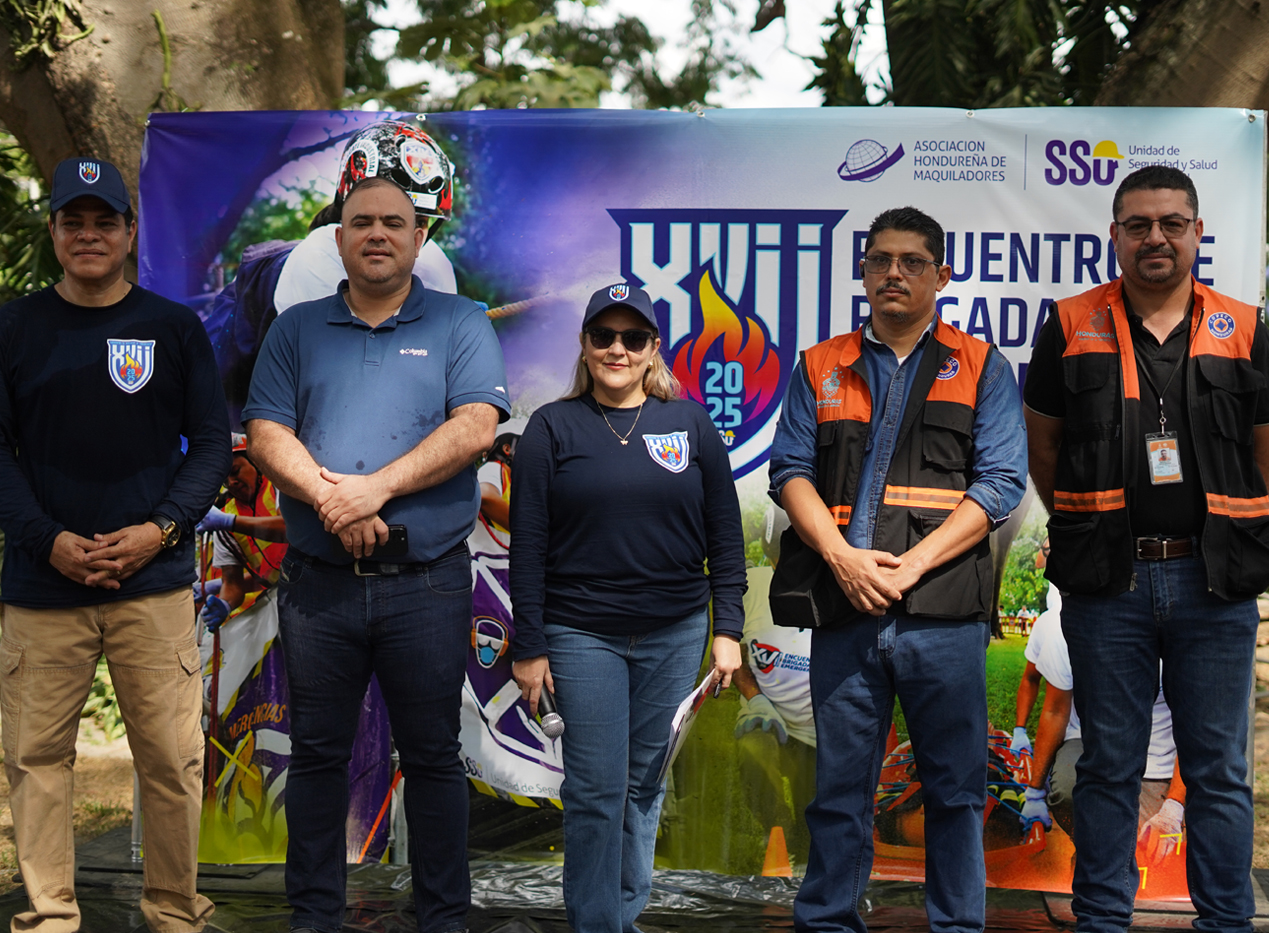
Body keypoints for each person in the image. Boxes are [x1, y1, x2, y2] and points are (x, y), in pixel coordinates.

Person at [242, 174, 509, 933]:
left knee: (431, 756)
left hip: (424, 583)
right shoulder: (295, 330)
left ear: (420, 238)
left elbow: (475, 427)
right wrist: (336, 501)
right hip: (319, 585)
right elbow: (266, 434)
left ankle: (442, 919)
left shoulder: (463, 323)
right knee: (319, 756)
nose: (378, 234)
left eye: (395, 221)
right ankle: (315, 918)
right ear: (338, 238)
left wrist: (372, 491)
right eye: (361, 222)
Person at [767, 206, 1027, 933]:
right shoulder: (818, 365)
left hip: (943, 615)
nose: (892, 273)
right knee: (839, 790)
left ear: (940, 276)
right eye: (879, 259)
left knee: (953, 789)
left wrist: (905, 565)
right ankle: (826, 922)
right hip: (844, 609)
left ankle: (955, 926)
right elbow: (788, 470)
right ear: (861, 270)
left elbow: (1001, 483)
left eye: (912, 261)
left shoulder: (980, 366)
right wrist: (844, 559)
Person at [1024, 164, 1268, 932]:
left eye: (1170, 222)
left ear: (1197, 231)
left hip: (1215, 581)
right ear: (1114, 236)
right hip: (1108, 582)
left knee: (1219, 774)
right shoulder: (1067, 323)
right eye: (1137, 224)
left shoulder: (1246, 325)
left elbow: (1265, 453)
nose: (1153, 237)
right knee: (1107, 767)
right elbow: (1045, 450)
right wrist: (1091, 531)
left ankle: (1225, 922)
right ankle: (1100, 920)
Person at [0, 157, 229, 932]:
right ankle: (51, 916)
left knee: (171, 762)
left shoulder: (171, 326)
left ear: (131, 233)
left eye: (105, 221)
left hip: (153, 583)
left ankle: (173, 912)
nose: (89, 234)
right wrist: (47, 539)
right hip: (41, 587)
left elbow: (210, 448)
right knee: (36, 762)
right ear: (56, 232)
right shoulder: (15, 326)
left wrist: (158, 529)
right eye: (75, 221)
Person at [508, 282, 746, 933]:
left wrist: (728, 628)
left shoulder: (690, 423)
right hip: (582, 634)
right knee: (594, 788)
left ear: (651, 349)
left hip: (675, 633)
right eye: (603, 335)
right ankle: (597, 922)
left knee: (644, 785)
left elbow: (724, 535)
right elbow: (525, 547)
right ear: (584, 346)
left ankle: (622, 913)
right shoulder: (549, 428)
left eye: (632, 337)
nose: (618, 348)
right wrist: (528, 648)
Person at [207, 119, 458, 417]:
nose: (391, 232)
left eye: (418, 220)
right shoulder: (316, 266)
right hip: (243, 338)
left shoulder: (436, 268)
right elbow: (332, 395)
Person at [733, 503, 815, 871]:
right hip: (767, 720)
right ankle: (777, 831)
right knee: (753, 751)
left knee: (815, 823)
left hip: (818, 735)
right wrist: (756, 699)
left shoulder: (836, 587)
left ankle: (802, 840)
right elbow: (729, 652)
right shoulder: (751, 589)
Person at [196, 436, 288, 632]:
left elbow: (290, 530)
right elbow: (232, 583)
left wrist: (231, 523)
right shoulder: (224, 517)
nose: (231, 482)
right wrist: (225, 604)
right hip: (278, 600)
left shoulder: (279, 481)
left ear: (255, 461)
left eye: (235, 471)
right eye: (224, 479)